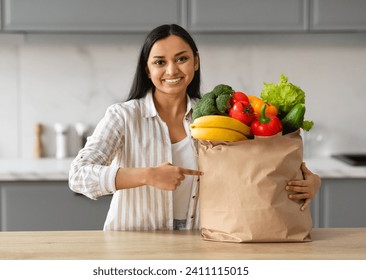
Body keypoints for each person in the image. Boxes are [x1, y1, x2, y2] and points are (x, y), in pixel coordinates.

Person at [68, 24, 321, 231]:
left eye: (181, 59)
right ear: (147, 69)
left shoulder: (220, 116)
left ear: (196, 62)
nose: (171, 70)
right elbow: (78, 176)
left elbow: (255, 168)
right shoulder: (123, 116)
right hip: (133, 245)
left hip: (201, 241)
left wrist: (308, 181)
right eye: (159, 62)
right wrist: (147, 175)